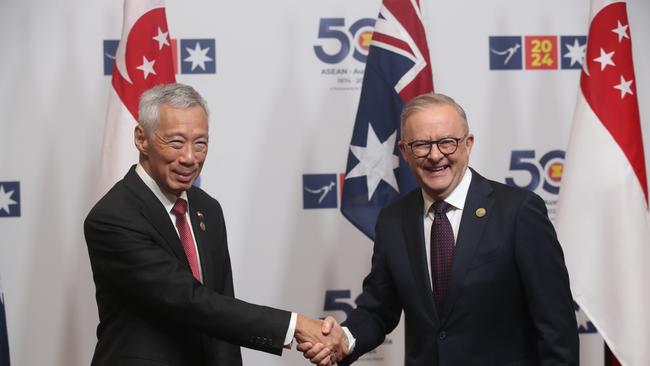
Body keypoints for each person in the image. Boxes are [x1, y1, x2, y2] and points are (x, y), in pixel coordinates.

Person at [304, 93, 579, 365]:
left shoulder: (519, 212)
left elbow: (556, 326)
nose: (435, 156)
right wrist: (345, 339)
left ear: (467, 144)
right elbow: (378, 310)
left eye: (447, 142)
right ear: (405, 151)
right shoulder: (393, 220)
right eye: (421, 144)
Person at [84, 83, 346, 366]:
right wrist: (296, 326)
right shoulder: (113, 217)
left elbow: (221, 308)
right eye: (175, 142)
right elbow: (190, 301)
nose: (189, 158)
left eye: (200, 143)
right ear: (141, 139)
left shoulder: (206, 207)